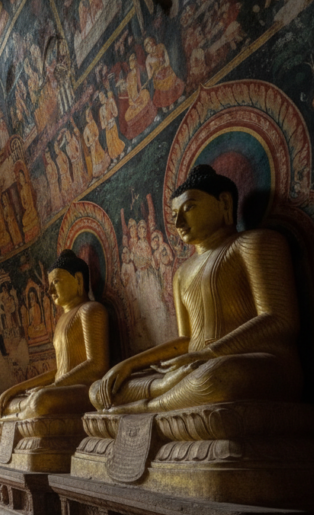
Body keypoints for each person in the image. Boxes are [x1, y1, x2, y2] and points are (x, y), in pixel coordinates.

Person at [90, 165, 301, 413]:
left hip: (255, 363)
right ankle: (159, 395)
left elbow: (279, 320)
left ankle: (146, 408)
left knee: (216, 376)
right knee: (100, 390)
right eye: (174, 215)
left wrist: (208, 354)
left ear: (224, 203)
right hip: (192, 366)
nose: (179, 222)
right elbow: (185, 340)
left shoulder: (254, 243)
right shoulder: (182, 273)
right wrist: (128, 365)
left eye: (189, 208)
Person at [0, 250, 109, 420]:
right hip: (60, 387)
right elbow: (60, 371)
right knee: (7, 402)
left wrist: (53, 386)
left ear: (78, 280)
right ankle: (21, 414)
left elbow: (97, 365)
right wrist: (14, 390)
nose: (49, 290)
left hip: (85, 389)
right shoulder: (61, 320)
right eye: (50, 284)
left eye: (56, 282)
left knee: (41, 400)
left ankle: (18, 418)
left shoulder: (90, 310)